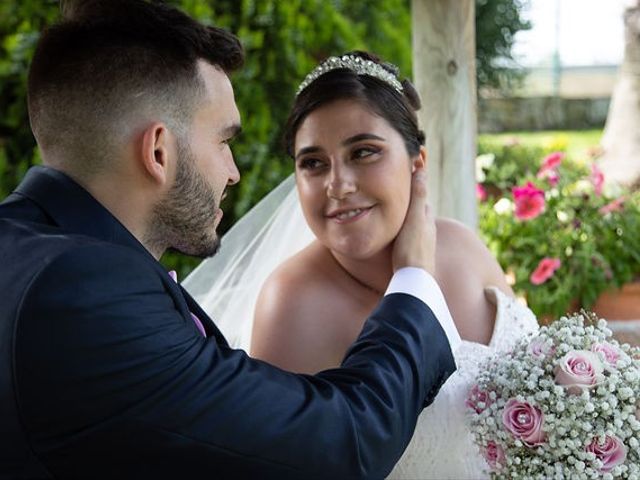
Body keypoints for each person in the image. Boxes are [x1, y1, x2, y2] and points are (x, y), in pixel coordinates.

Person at [0, 2, 461, 478]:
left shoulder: (26, 247)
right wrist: (413, 281)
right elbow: (343, 440)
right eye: (223, 141)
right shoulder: (84, 294)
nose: (234, 172)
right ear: (159, 151)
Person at [184, 52, 540, 479]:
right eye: (313, 163)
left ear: (416, 162)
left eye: (364, 152)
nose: (338, 186)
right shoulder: (293, 302)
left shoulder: (463, 247)